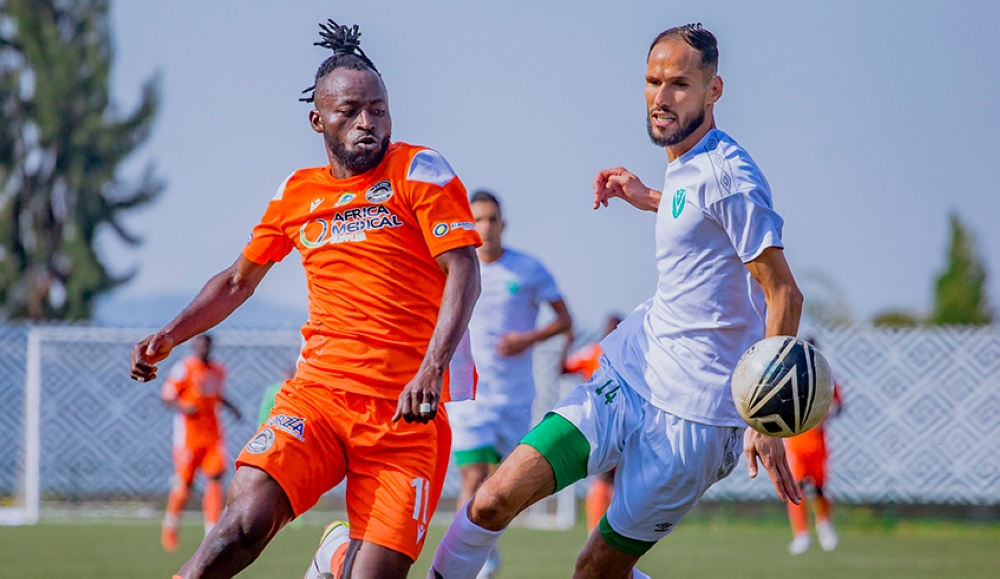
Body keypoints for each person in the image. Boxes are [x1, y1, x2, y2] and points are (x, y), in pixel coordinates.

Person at [427, 23, 804, 579]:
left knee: (594, 572)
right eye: (653, 82)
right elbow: (698, 215)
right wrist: (649, 197)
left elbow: (783, 293)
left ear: (713, 90)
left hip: (696, 420)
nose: (661, 97)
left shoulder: (731, 175)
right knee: (490, 500)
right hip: (631, 374)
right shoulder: (687, 164)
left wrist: (764, 420)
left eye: (679, 83)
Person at [130, 20, 482, 579]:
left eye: (379, 109)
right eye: (350, 111)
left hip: (403, 416)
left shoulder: (419, 169)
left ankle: (339, 556)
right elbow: (239, 281)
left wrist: (431, 368)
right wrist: (172, 334)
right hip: (316, 401)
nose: (368, 122)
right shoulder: (298, 192)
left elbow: (463, 268)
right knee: (239, 526)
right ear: (317, 119)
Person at [447, 190, 572, 578]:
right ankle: (463, 564)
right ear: (469, 224)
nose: (485, 226)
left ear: (503, 224)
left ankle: (486, 547)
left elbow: (565, 320)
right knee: (472, 476)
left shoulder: (528, 269)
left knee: (504, 485)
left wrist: (527, 339)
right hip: (469, 396)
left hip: (515, 396)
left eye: (492, 219)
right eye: (478, 219)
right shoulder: (455, 268)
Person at [160, 333, 243, 552]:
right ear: (194, 346)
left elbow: (216, 395)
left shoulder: (218, 370)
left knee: (215, 479)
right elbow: (167, 396)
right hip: (189, 437)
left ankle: (211, 531)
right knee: (185, 484)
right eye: (199, 345)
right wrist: (183, 407)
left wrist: (232, 408)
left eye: (207, 345)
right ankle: (171, 524)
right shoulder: (184, 368)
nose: (203, 349)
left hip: (213, 435)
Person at [560, 314, 622, 531]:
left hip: (622, 423)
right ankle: (598, 529)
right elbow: (563, 368)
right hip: (599, 423)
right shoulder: (593, 352)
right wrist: (567, 342)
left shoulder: (627, 355)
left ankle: (607, 530)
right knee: (606, 477)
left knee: (614, 478)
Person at [785, 337, 843, 555]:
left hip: (818, 443)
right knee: (797, 489)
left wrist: (824, 415)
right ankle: (801, 534)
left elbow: (839, 405)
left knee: (819, 488)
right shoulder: (790, 376)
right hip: (796, 441)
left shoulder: (826, 377)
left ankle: (824, 524)